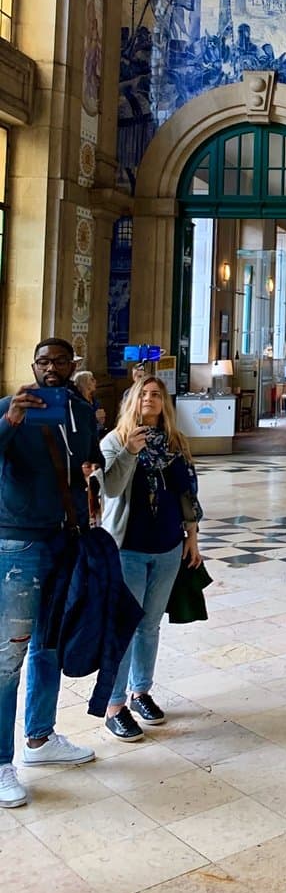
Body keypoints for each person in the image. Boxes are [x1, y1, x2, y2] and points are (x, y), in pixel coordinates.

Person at [0, 338, 99, 808]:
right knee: (9, 656)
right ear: (33, 366)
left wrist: (93, 470)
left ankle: (39, 738)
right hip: (19, 543)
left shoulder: (80, 411)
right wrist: (10, 421)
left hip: (66, 539)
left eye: (60, 361)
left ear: (72, 365)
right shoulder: (10, 408)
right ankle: (1, 763)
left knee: (49, 645)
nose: (51, 368)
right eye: (43, 361)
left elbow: (89, 460)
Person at [98, 377, 202, 741]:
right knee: (124, 626)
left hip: (168, 545)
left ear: (164, 403)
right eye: (143, 394)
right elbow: (111, 488)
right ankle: (114, 705)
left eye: (156, 394)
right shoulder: (114, 441)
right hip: (128, 547)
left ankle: (140, 691)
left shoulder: (175, 442)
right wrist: (129, 451)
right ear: (132, 401)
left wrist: (192, 536)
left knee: (150, 625)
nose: (150, 399)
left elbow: (187, 492)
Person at [73, 369, 108, 438]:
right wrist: (94, 417)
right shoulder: (76, 402)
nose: (95, 381)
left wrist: (101, 422)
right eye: (92, 380)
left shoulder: (95, 401)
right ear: (84, 383)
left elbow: (99, 425)